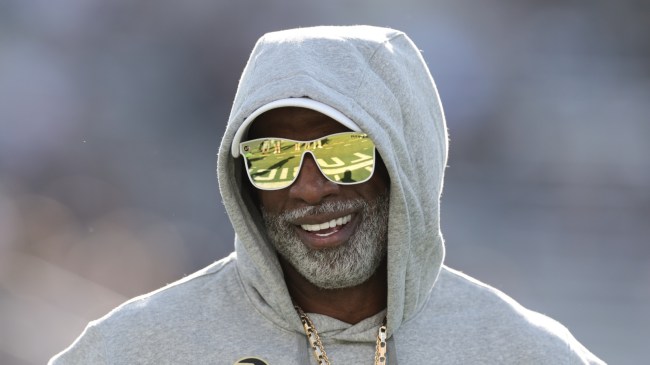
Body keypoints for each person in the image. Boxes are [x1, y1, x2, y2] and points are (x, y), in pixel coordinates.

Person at [49, 25, 605, 364]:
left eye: (343, 153)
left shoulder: (522, 353)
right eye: (273, 159)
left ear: (405, 158)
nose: (310, 187)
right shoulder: (139, 349)